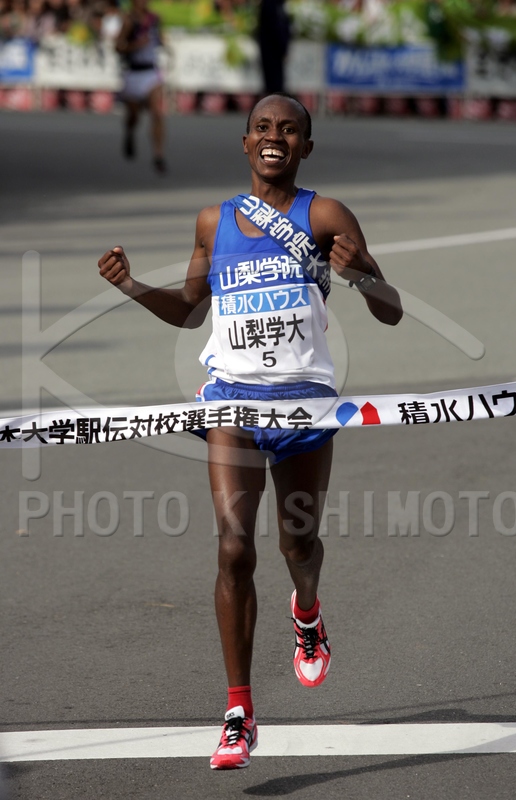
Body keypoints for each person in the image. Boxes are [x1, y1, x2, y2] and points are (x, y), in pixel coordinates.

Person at [98, 92, 402, 770]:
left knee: (299, 543)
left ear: (306, 147)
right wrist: (130, 286)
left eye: (289, 130)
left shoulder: (324, 214)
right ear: (244, 143)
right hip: (230, 406)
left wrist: (357, 277)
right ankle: (239, 711)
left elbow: (391, 312)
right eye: (263, 128)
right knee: (234, 550)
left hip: (304, 409)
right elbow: (186, 311)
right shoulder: (214, 220)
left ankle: (307, 610)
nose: (275, 138)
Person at [115, 0, 166, 174]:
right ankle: (129, 134)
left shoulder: (154, 19)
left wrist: (164, 42)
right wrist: (136, 45)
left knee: (157, 114)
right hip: (133, 73)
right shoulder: (129, 21)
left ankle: (158, 155)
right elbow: (117, 46)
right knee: (134, 116)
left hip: (151, 72)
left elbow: (160, 38)